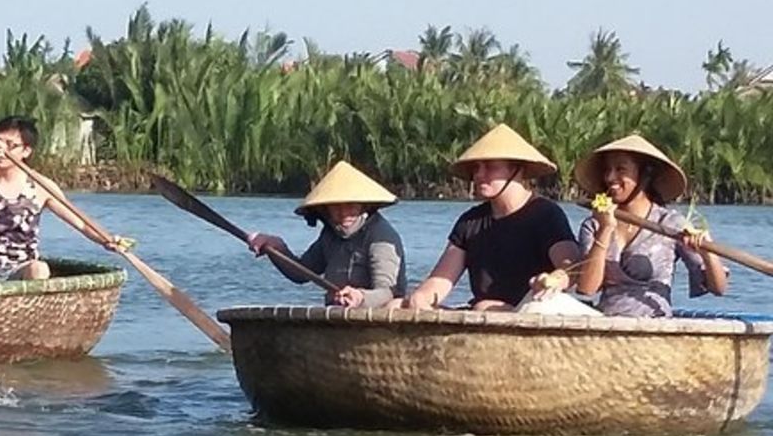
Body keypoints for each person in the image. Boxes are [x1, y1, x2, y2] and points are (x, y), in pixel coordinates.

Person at [402, 124, 580, 311]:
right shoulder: (470, 221)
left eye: (490, 167)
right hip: (482, 312)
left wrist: (553, 280)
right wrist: (421, 297)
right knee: (397, 305)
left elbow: (571, 266)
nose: (479, 175)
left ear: (517, 170)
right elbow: (441, 279)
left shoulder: (545, 214)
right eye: (476, 168)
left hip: (532, 309)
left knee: (484, 306)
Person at [0, 115, 122, 284]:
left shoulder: (41, 186)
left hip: (20, 267)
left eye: (11, 146)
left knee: (40, 269)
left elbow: (81, 223)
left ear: (26, 151)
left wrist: (106, 240)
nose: (3, 151)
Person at [571, 134, 726, 317]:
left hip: (655, 323)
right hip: (608, 325)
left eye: (621, 169)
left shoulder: (670, 223)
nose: (611, 177)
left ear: (643, 175)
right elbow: (587, 288)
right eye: (608, 170)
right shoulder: (593, 225)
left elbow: (718, 288)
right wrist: (605, 229)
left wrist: (707, 254)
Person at [246, 161, 406, 307]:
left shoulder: (381, 236)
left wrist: (360, 297)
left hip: (373, 319)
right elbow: (301, 273)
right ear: (326, 209)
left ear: (363, 206)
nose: (344, 213)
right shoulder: (330, 235)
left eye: (350, 205)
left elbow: (388, 292)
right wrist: (276, 248)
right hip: (337, 316)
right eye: (336, 207)